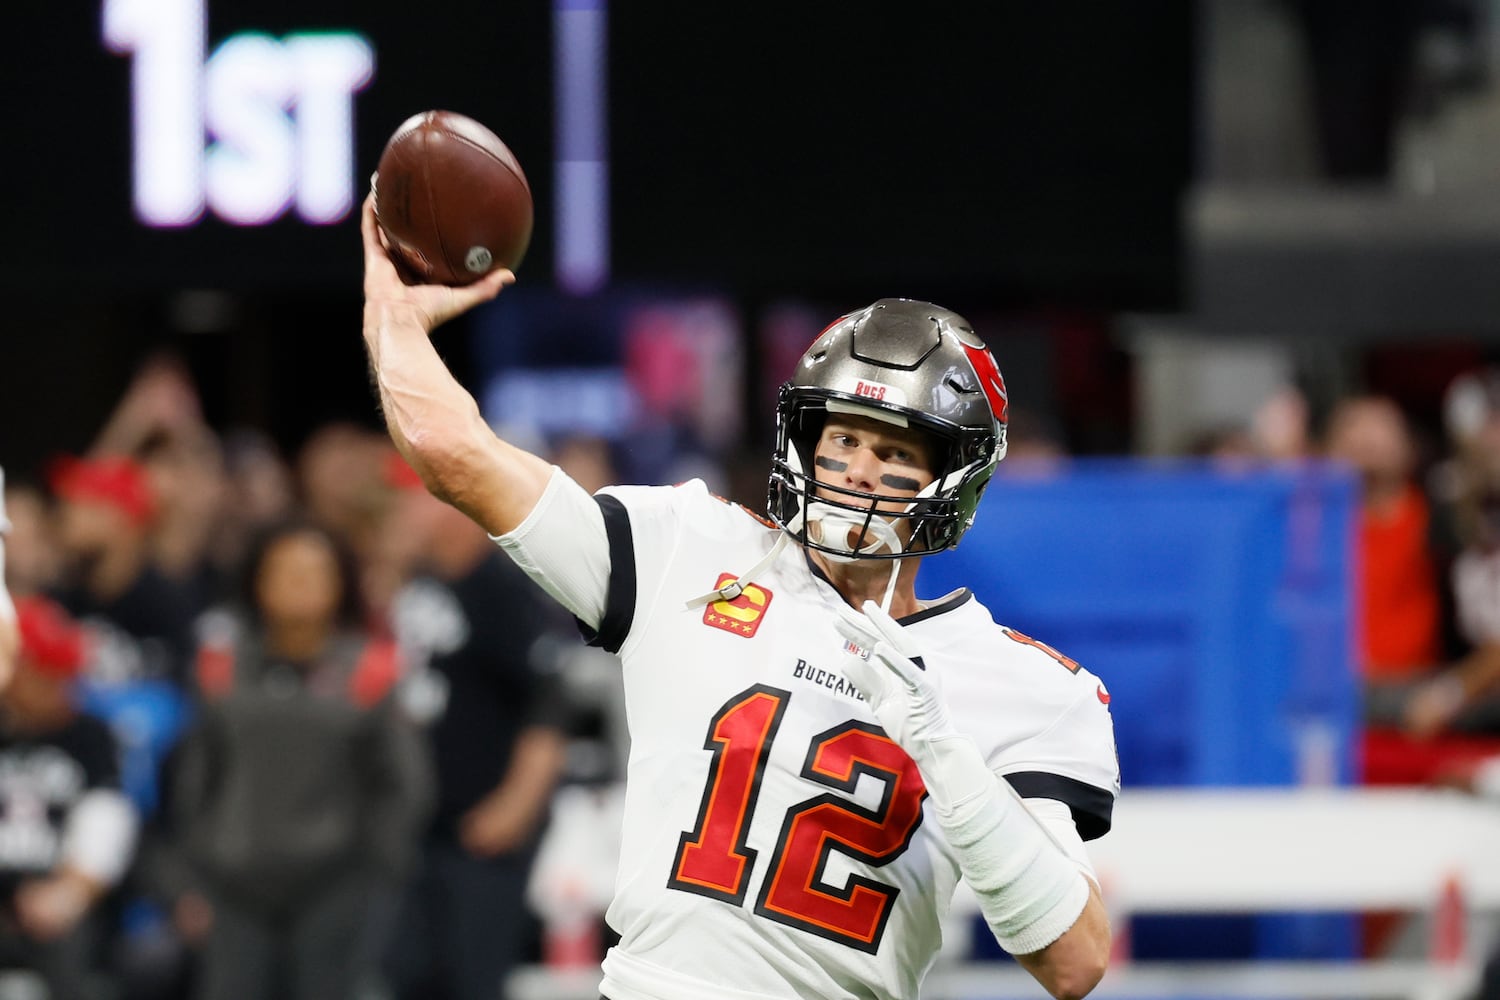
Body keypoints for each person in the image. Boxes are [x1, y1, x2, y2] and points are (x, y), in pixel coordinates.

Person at [360, 196, 1119, 1000]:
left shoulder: (1025, 688)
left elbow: (1074, 962)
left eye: (894, 450)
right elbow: (456, 453)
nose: (858, 470)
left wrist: (948, 757)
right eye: (843, 437)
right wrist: (392, 319)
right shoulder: (687, 548)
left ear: (952, 483)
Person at [152, 518, 433, 1000]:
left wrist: (376, 873)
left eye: (314, 571)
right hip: (233, 886)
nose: (299, 583)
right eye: (284, 570)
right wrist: (189, 877)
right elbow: (193, 781)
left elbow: (403, 785)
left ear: (340, 582)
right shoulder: (220, 669)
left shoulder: (371, 670)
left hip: (337, 885)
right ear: (257, 581)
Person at [381, 461, 572, 1000]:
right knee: (408, 978)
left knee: (471, 981)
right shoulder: (415, 584)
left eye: (408, 498)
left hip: (479, 834)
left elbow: (547, 703)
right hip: (415, 834)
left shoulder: (501, 588)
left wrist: (517, 804)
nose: (397, 512)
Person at [0, 595, 139, 1000]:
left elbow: (107, 821)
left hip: (55, 905)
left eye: (65, 677)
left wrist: (71, 891)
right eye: (45, 675)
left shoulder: (89, 737)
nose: (60, 690)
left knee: (74, 945)